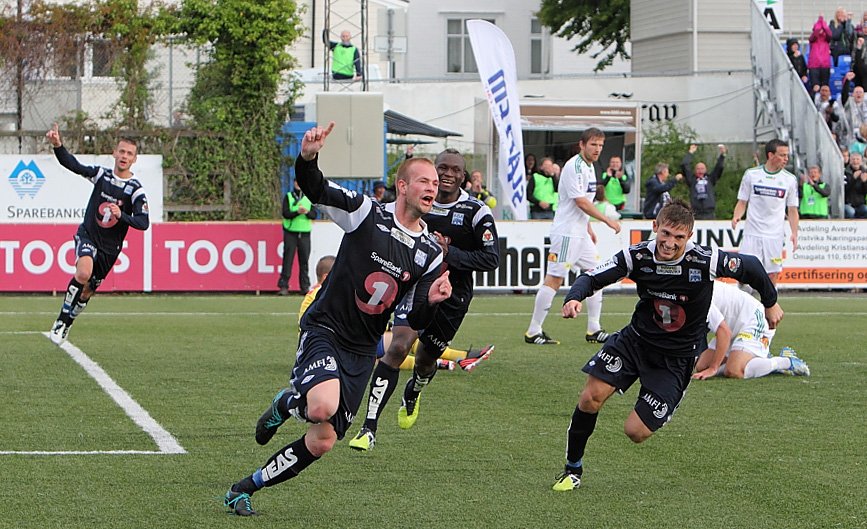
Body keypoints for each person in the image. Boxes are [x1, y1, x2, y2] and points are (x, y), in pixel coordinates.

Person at [223, 122, 452, 516]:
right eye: (424, 182)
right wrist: (308, 157)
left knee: (322, 440)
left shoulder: (429, 251)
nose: (433, 188)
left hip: (362, 351)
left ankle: (245, 487)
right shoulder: (366, 213)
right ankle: (293, 402)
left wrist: (430, 302)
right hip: (325, 329)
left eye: (435, 183)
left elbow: (409, 320)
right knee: (321, 406)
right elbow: (316, 189)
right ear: (402, 186)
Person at [552, 199, 783, 492]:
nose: (670, 243)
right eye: (665, 234)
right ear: (655, 228)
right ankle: (572, 470)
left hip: (676, 359)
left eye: (679, 237)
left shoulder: (706, 260)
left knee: (635, 432)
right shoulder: (637, 256)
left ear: (689, 237)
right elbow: (593, 276)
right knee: (590, 397)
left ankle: (671, 397)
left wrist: (771, 303)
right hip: (635, 341)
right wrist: (574, 297)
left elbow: (750, 266)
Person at [347, 148, 500, 452]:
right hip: (414, 286)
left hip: (451, 296)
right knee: (398, 347)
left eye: (455, 170)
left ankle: (414, 391)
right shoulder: (416, 200)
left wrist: (448, 254)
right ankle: (369, 427)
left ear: (464, 176)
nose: (447, 174)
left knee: (426, 359)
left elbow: (491, 258)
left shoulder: (476, 211)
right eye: (442, 168)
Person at [45, 124, 150, 345]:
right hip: (89, 235)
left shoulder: (135, 190)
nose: (124, 156)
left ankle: (69, 321)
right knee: (83, 273)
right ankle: (61, 320)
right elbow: (73, 165)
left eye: (129, 153)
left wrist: (122, 215)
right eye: (121, 151)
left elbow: (143, 222)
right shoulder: (101, 175)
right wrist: (58, 146)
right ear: (114, 153)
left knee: (87, 292)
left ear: (134, 159)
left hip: (110, 249)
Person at [300, 255, 487, 373]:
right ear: (326, 277)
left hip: (347, 339)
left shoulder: (320, 293)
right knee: (377, 357)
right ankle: (444, 362)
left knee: (403, 339)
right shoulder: (321, 293)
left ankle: (459, 357)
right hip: (333, 345)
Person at [524, 128, 622, 346]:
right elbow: (580, 202)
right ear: (582, 144)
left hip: (580, 232)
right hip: (567, 232)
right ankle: (533, 330)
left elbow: (584, 201)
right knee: (555, 279)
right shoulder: (574, 166)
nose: (597, 149)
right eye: (593, 145)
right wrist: (606, 220)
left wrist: (588, 228)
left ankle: (594, 329)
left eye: (600, 145)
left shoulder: (590, 167)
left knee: (598, 274)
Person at [693, 281, 809, 381]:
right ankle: (752, 358)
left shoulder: (697, 297)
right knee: (702, 366)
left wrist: (713, 369)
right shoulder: (686, 291)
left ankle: (786, 362)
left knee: (734, 370)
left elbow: (724, 332)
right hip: (731, 325)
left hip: (752, 317)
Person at [732, 139, 799, 286]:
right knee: (744, 273)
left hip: (774, 236)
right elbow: (742, 202)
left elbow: (792, 209)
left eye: (787, 155)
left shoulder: (789, 179)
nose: (786, 159)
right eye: (782, 155)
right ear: (770, 155)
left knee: (772, 275)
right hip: (752, 234)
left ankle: (768, 307)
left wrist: (794, 233)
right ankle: (743, 306)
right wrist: (737, 216)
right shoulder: (751, 175)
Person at [278, 180, 316, 296]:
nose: (298, 184)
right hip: (291, 232)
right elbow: (285, 213)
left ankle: (304, 287)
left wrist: (306, 212)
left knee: (304, 261)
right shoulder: (289, 196)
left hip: (304, 233)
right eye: (296, 182)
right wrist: (297, 212)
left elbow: (314, 215)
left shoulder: (309, 198)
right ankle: (284, 286)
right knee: (287, 260)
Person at [681, 143, 726, 220]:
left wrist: (722, 155)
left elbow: (719, 168)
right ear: (695, 170)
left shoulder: (710, 179)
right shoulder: (692, 180)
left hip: (709, 213)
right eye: (698, 169)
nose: (700, 171)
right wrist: (690, 152)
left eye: (702, 168)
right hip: (696, 213)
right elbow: (685, 165)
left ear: (706, 170)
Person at [808, 15, 832, 93]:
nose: (821, 30)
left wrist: (823, 23)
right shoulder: (812, 39)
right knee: (815, 87)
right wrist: (820, 21)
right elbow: (816, 33)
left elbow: (829, 33)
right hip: (814, 66)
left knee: (824, 87)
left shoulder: (827, 39)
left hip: (825, 65)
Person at [844, 152, 867, 218]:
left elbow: (865, 192)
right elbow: (845, 190)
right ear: (850, 161)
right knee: (851, 212)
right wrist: (853, 179)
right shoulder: (845, 173)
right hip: (848, 204)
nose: (855, 161)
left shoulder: (865, 173)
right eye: (853, 159)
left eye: (857, 159)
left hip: (860, 204)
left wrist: (864, 182)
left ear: (861, 161)